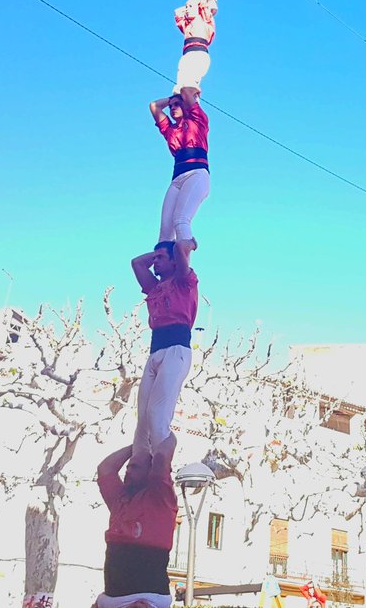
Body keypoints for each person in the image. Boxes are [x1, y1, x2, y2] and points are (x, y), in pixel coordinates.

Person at [130, 241, 197, 458]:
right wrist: (159, 253)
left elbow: (178, 250)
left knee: (158, 415)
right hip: (156, 350)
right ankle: (140, 468)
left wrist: (188, 245)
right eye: (155, 258)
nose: (155, 262)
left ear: (175, 262)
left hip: (176, 349)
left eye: (161, 258)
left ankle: (162, 471)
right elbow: (137, 263)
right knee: (143, 421)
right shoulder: (155, 287)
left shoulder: (184, 282)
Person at [96, 433, 178, 608]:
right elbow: (106, 469)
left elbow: (162, 457)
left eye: (135, 467)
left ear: (150, 472)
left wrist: (163, 431)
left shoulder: (161, 499)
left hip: (144, 596)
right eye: (128, 468)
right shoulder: (121, 499)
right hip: (115, 597)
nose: (128, 471)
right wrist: (135, 447)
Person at [149, 93, 209, 247]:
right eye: (170, 106)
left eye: (177, 105)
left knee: (181, 220)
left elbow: (187, 91)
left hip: (196, 173)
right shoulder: (170, 130)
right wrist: (171, 99)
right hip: (177, 179)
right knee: (165, 232)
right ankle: (166, 266)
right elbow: (154, 106)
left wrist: (182, 95)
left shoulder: (197, 120)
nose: (172, 108)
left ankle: (184, 266)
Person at [171, 0, 215, 101]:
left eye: (190, 7)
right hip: (187, 54)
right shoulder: (186, 25)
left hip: (198, 53)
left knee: (190, 83)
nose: (187, 9)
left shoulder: (204, 21)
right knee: (179, 85)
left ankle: (194, 104)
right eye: (186, 7)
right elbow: (177, 13)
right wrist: (189, 6)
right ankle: (181, 104)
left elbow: (207, 8)